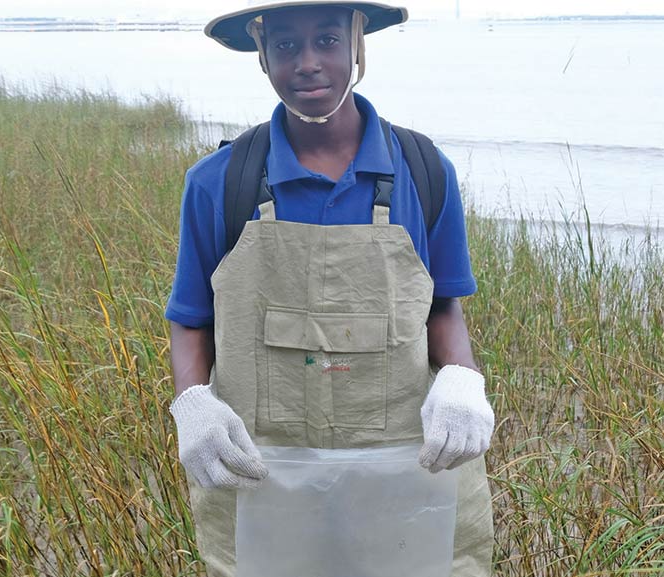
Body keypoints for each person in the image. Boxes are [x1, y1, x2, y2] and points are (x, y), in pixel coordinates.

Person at [164, 2, 495, 575]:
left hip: (402, 473)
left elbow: (442, 305)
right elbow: (192, 318)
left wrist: (463, 377)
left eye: (327, 40)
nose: (309, 62)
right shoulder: (219, 182)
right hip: (265, 476)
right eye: (288, 46)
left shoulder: (424, 171)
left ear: (358, 44)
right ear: (262, 55)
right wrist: (193, 403)